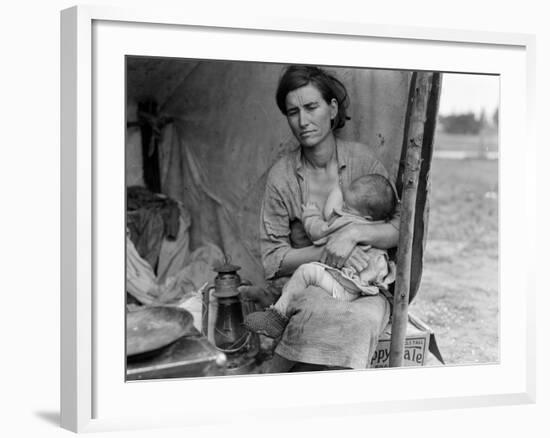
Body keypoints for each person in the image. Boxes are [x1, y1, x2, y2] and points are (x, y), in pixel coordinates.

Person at [256, 65, 401, 370]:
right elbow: (273, 260)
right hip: (314, 286)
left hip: (366, 288)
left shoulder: (363, 162)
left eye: (311, 107)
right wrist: (328, 250)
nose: (303, 121)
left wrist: (353, 236)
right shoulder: (282, 176)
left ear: (332, 109)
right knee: (312, 317)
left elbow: (400, 229)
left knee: (360, 323)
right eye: (292, 112)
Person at [245, 174, 397, 338]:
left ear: (364, 216)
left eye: (346, 207)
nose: (341, 209)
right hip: (366, 288)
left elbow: (317, 231)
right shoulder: (379, 227)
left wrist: (310, 214)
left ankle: (277, 317)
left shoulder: (346, 222)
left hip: (346, 289)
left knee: (305, 272)